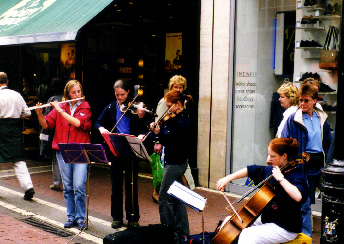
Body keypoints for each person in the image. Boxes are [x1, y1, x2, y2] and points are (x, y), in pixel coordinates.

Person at [216, 138, 308, 244]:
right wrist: (227, 179)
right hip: (268, 219)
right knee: (229, 222)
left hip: (285, 227)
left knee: (248, 235)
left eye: (273, 156)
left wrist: (281, 179)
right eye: (269, 155)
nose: (269, 159)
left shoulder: (296, 175)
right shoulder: (271, 170)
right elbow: (251, 170)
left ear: (284, 156)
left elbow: (298, 196)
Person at [35, 80, 91, 230]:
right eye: (74, 92)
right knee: (67, 186)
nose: (77, 95)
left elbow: (78, 123)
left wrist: (60, 110)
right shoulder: (62, 106)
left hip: (79, 150)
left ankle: (81, 218)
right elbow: (46, 124)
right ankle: (71, 216)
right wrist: (40, 114)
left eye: (79, 91)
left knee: (79, 185)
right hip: (62, 150)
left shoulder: (85, 106)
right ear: (68, 94)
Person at [281, 83, 332, 237]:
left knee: (312, 202)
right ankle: (305, 237)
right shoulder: (293, 119)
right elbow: (283, 141)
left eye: (306, 100)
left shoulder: (321, 118)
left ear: (315, 101)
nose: (302, 103)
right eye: (301, 100)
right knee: (303, 204)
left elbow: (328, 142)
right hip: (300, 165)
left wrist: (328, 163)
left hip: (318, 165)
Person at [94, 80, 146, 229]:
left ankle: (133, 218)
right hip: (116, 148)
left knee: (131, 185)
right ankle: (116, 217)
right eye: (117, 95)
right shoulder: (111, 106)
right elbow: (98, 122)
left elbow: (145, 127)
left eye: (122, 95)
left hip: (131, 149)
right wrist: (102, 129)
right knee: (116, 185)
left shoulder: (135, 108)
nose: (119, 98)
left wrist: (142, 130)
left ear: (128, 92)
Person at [149, 90, 192, 244]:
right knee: (178, 198)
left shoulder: (183, 121)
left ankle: (168, 231)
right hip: (174, 161)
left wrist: (160, 134)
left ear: (178, 104)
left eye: (169, 106)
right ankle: (182, 231)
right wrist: (157, 129)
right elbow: (165, 132)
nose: (167, 110)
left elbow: (173, 142)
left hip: (176, 163)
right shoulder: (176, 118)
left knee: (163, 197)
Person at [152, 75, 195, 203]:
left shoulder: (183, 102)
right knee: (167, 172)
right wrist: (157, 141)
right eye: (175, 87)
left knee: (176, 174)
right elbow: (158, 120)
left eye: (180, 87)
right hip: (169, 140)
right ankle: (158, 193)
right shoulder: (165, 101)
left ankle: (181, 197)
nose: (178, 90)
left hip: (177, 143)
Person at [0, 72, 35, 201]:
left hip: (0, 128)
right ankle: (28, 188)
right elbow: (27, 113)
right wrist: (17, 114)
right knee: (18, 160)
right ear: (7, 81)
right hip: (14, 128)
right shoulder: (17, 95)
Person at [39, 77, 65, 191]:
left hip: (54, 131)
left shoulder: (52, 99)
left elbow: (47, 120)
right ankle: (66, 181)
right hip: (65, 130)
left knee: (56, 157)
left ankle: (56, 182)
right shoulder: (65, 99)